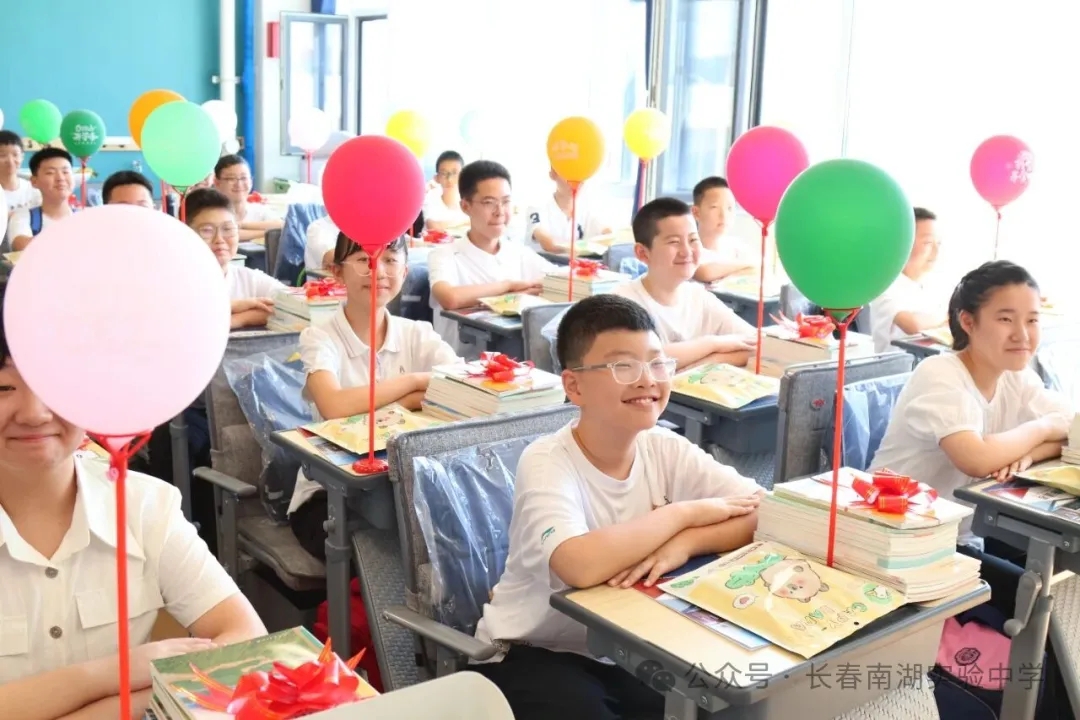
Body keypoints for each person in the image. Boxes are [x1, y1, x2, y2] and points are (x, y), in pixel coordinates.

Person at [472, 294, 762, 720]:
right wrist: (681, 514)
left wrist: (684, 544)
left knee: (726, 704)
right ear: (574, 386)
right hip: (537, 650)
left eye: (657, 364)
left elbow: (761, 511)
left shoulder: (664, 446)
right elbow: (579, 565)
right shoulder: (548, 460)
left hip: (631, 645)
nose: (647, 380)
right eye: (623, 367)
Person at [0, 295, 266, 720]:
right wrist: (114, 675)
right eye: (4, 388)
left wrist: (133, 699)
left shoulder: (145, 506)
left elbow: (246, 641)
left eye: (53, 383)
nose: (34, 413)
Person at [288, 232, 460, 559]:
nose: (377, 271)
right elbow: (334, 406)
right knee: (388, 548)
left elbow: (459, 388)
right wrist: (412, 387)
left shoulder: (418, 333)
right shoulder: (319, 338)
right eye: (363, 260)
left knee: (447, 536)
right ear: (337, 272)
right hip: (330, 493)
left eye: (390, 260)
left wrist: (396, 402)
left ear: (405, 272)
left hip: (404, 485)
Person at [427, 160, 556, 355]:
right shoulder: (444, 255)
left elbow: (559, 280)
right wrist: (508, 287)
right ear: (465, 206)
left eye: (505, 201)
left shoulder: (519, 253)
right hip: (462, 365)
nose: (500, 212)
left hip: (516, 363)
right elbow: (450, 298)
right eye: (489, 202)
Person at [613, 198, 755, 370]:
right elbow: (647, 361)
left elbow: (758, 345)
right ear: (642, 253)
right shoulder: (622, 304)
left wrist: (711, 361)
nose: (687, 251)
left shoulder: (698, 296)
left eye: (693, 240)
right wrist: (712, 344)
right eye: (674, 242)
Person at [183, 188, 286, 329]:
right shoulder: (176, 283)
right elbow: (184, 319)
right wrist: (236, 308)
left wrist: (239, 319)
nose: (219, 239)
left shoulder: (249, 280)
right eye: (207, 230)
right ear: (185, 233)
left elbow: (295, 307)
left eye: (227, 229)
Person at [869, 207, 947, 352]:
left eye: (939, 243)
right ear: (904, 242)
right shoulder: (885, 284)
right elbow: (912, 325)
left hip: (930, 361)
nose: (936, 251)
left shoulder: (934, 285)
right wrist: (947, 316)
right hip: (898, 364)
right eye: (928, 243)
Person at [525, 169, 610, 254]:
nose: (576, 182)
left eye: (580, 175)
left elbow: (608, 233)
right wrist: (571, 252)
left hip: (575, 261)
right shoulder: (537, 207)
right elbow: (548, 245)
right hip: (543, 261)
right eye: (569, 175)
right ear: (553, 174)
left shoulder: (587, 209)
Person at [689, 177, 756, 284]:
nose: (724, 216)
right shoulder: (688, 249)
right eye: (714, 207)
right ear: (696, 213)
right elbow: (704, 272)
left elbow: (758, 268)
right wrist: (746, 266)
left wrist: (728, 275)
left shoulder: (737, 246)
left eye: (730, 208)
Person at [7, 148, 75, 252]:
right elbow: (21, 246)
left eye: (65, 172)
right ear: (34, 181)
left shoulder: (86, 216)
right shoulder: (24, 217)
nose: (60, 178)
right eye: (50, 173)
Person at [212, 155, 282, 241]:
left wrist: (242, 225)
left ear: (251, 181)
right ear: (217, 183)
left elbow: (282, 225)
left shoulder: (259, 210)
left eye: (244, 178)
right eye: (231, 178)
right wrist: (266, 233)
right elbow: (229, 234)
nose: (238, 184)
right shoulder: (211, 212)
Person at [423, 151, 469, 232]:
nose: (449, 179)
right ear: (436, 178)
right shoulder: (430, 197)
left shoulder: (469, 199)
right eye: (444, 173)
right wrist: (465, 221)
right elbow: (433, 226)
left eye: (454, 173)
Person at [0, 130, 41, 214]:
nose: (10, 161)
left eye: (15, 155)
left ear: (22, 157)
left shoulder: (33, 190)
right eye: (2, 155)